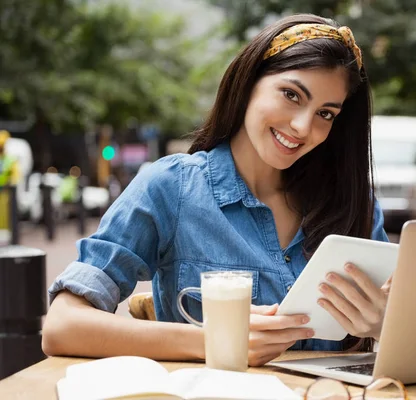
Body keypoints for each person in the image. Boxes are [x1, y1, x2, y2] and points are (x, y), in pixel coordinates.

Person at [42, 14, 391, 367]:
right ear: (249, 82)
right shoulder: (172, 188)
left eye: (326, 114)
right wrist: (217, 340)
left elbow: (414, 340)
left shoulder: (353, 206)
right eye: (291, 94)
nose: (303, 127)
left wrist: (384, 324)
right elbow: (63, 325)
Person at [0, 130, 20, 237]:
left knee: (5, 217)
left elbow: (15, 175)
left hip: (6, 193)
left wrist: (11, 183)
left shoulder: (10, 159)